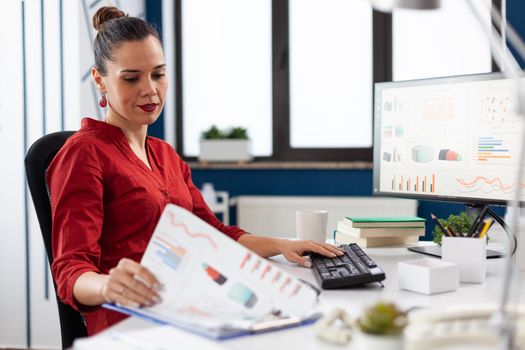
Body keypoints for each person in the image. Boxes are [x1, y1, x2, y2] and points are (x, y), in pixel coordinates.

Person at [47, 6, 343, 336]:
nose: (150, 90)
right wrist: (106, 285)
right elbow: (71, 271)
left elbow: (213, 235)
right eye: (131, 78)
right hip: (130, 322)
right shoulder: (83, 153)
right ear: (100, 80)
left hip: (188, 308)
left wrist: (283, 244)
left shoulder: (165, 155)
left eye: (158, 74)